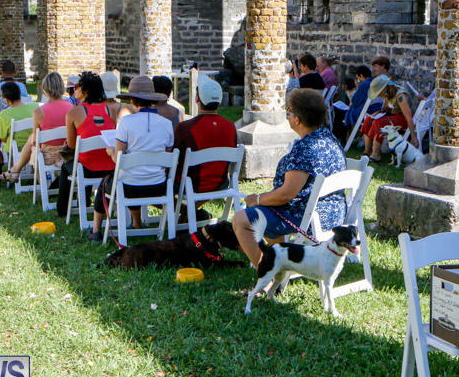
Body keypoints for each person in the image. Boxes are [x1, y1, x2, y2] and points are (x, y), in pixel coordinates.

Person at [232, 89, 346, 268]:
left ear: (297, 119)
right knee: (263, 207)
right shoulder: (329, 138)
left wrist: (258, 199)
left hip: (310, 217)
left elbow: (286, 194)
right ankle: (281, 259)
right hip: (335, 212)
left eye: (289, 112)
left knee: (241, 220)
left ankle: (266, 271)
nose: (287, 116)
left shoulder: (305, 149)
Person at [90, 76, 173, 242]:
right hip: (158, 185)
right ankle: (136, 223)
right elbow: (167, 154)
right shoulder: (166, 123)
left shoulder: (126, 122)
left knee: (105, 184)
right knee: (131, 175)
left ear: (132, 100)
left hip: (129, 187)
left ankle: (95, 230)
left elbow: (118, 159)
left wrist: (111, 151)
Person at [55, 72, 117, 219]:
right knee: (85, 158)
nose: (74, 88)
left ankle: (62, 209)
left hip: (87, 169)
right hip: (110, 168)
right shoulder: (111, 110)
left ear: (85, 91)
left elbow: (72, 145)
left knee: (67, 166)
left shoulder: (73, 113)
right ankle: (86, 201)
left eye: (77, 86)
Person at [0, 73, 73, 182]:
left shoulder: (39, 111)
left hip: (48, 156)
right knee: (32, 139)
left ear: (45, 89)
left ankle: (18, 172)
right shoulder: (72, 108)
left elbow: (35, 141)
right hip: (70, 154)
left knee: (33, 142)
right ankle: (15, 170)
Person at [174, 76, 238, 193]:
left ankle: (183, 206)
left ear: (197, 99)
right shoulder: (231, 127)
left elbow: (174, 156)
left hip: (189, 185)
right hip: (220, 183)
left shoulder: (184, 128)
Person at [360, 79, 417, 162]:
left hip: (404, 119)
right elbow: (388, 108)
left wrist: (413, 137)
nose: (378, 95)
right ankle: (367, 151)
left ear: (383, 89)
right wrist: (378, 112)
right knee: (369, 119)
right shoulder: (388, 93)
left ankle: (376, 154)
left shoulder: (400, 95)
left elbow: (408, 117)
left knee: (379, 122)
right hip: (394, 116)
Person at [0, 82, 39, 165]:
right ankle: (32, 169)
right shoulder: (34, 107)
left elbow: (3, 138)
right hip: (34, 143)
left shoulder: (4, 114)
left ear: (6, 99)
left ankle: (13, 166)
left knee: (8, 143)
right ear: (19, 95)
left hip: (16, 147)